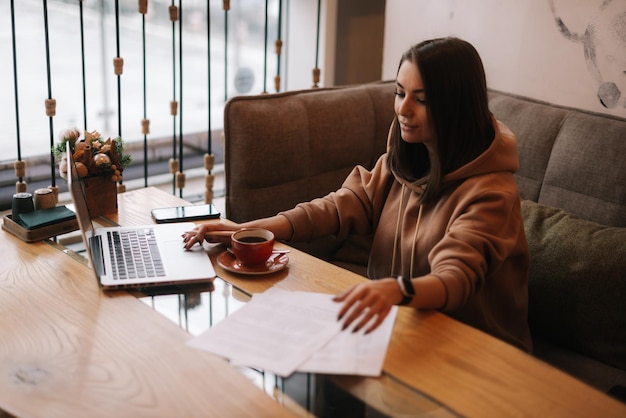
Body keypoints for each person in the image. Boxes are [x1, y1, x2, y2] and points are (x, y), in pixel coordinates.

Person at [183, 37, 532, 353]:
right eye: (400, 93)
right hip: (398, 329)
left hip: (475, 352)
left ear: (456, 107)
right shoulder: (406, 158)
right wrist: (247, 229)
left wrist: (395, 290)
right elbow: (337, 207)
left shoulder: (491, 193)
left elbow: (457, 278)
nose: (403, 109)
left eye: (421, 99)